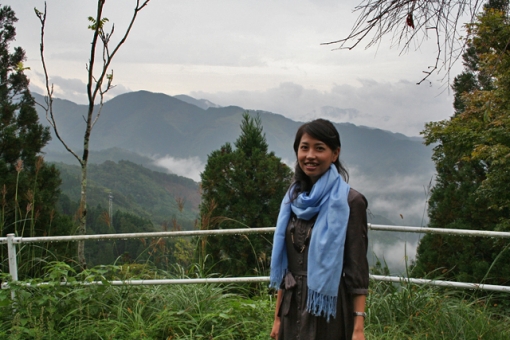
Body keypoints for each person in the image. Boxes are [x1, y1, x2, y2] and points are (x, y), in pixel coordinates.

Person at [269, 119, 369, 340]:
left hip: (328, 308)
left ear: (335, 154)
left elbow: (357, 269)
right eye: (304, 148)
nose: (310, 155)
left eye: (319, 148)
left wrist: (358, 329)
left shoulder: (350, 202)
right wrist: (277, 318)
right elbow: (285, 265)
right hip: (291, 306)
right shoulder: (293, 199)